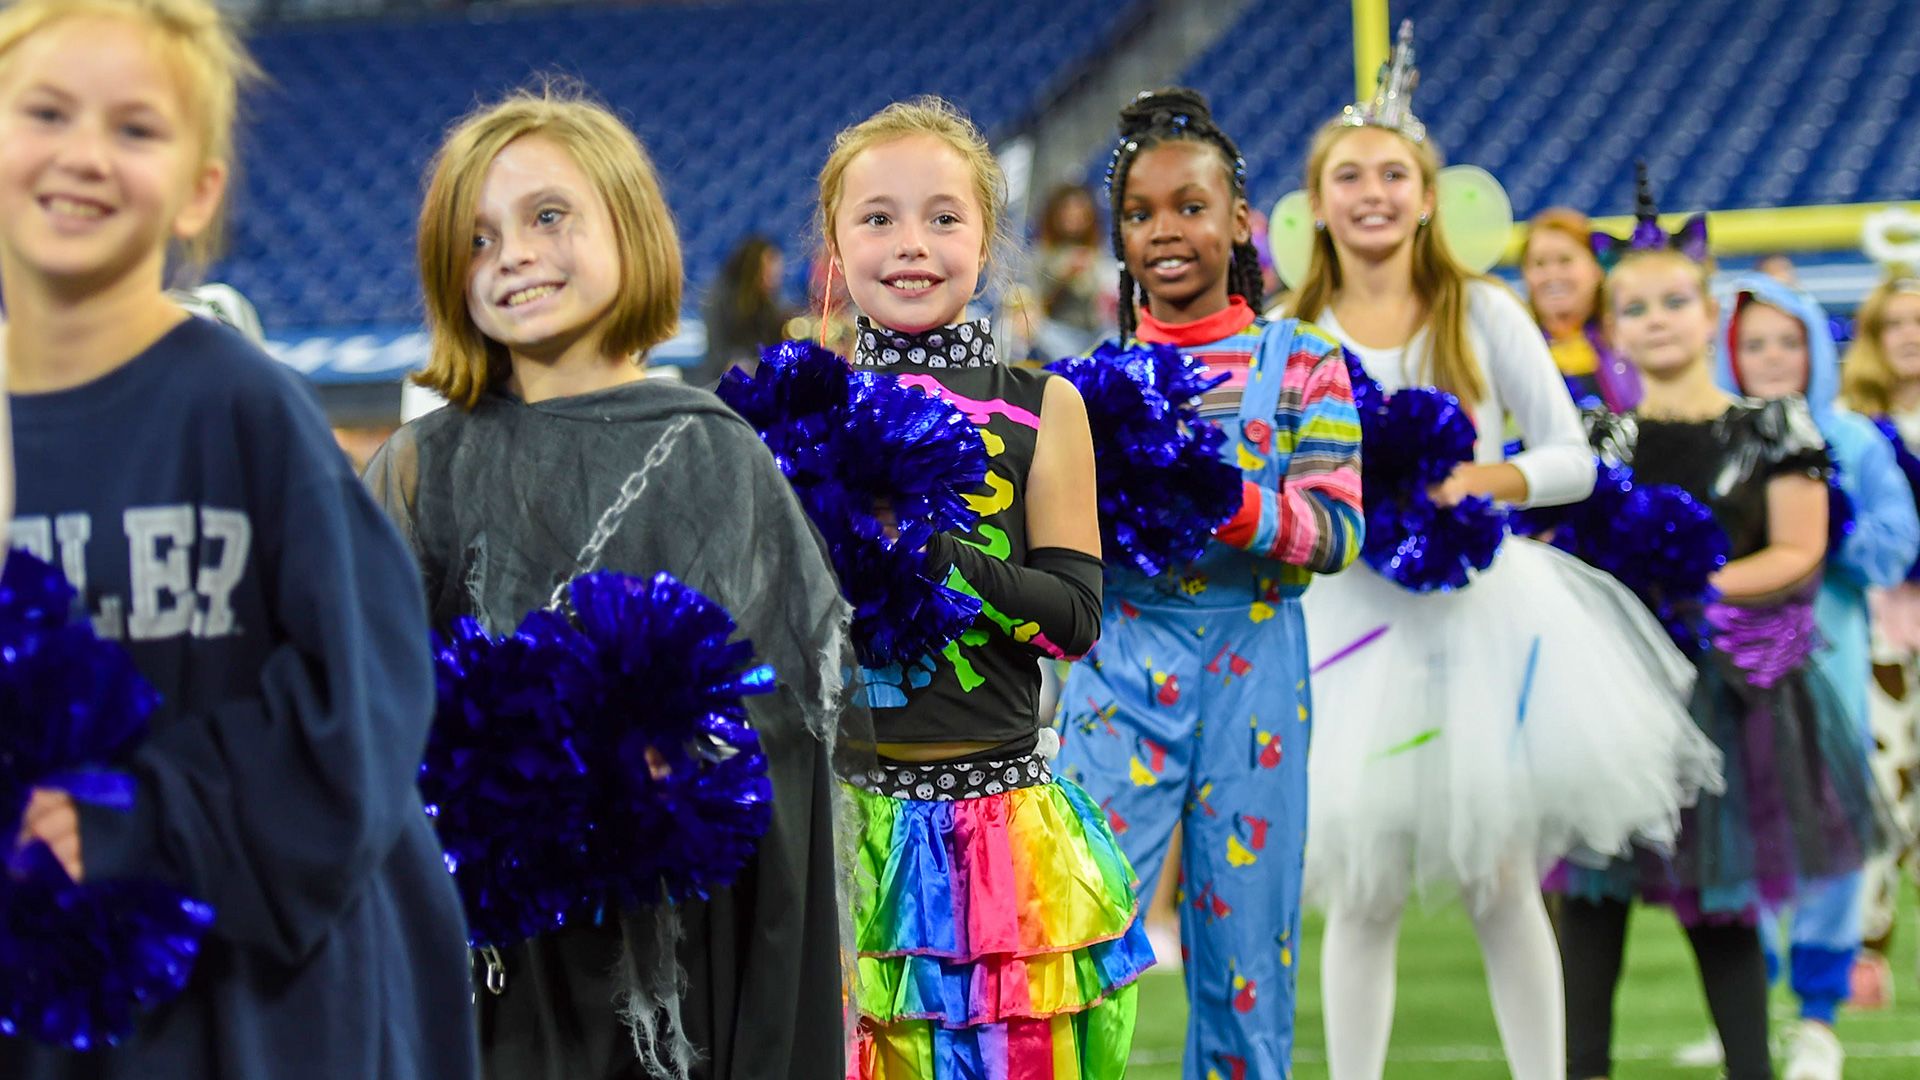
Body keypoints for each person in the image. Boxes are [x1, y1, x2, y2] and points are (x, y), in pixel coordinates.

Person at [0, 1, 477, 1077]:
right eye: (45, 111)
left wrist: (145, 817)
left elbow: (366, 705)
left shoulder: (243, 409)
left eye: (135, 129)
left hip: (257, 1005)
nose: (84, 154)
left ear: (198, 188)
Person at [363, 84, 862, 1080]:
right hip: (490, 968)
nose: (512, 255)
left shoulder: (715, 452)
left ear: (630, 229)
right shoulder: (420, 465)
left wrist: (669, 750)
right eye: (477, 239)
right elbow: (365, 704)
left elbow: (794, 724)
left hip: (674, 967)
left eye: (549, 216)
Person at [1281, 29, 1715, 1080]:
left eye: (1395, 175)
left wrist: (1489, 480)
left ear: (1429, 196)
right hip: (1345, 622)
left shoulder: (1481, 309)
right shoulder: (1289, 332)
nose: (1373, 194)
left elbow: (1571, 454)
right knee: (1365, 885)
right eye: (1350, 177)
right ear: (1318, 202)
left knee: (1505, 877)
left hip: (1483, 618)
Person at [816, 96, 1148, 1079]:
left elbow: (1076, 621)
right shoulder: (792, 413)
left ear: (988, 238)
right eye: (877, 217)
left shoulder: (1043, 405)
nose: (910, 244)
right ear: (833, 245)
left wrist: (931, 551)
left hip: (995, 836)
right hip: (835, 834)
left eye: (943, 216)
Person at [1053, 86, 1363, 1080]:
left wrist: (1225, 499)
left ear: (1241, 220)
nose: (1164, 233)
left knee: (1245, 963)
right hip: (1120, 667)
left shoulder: (1306, 362)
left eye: (1190, 206)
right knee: (1075, 937)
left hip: (1255, 668)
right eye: (1139, 216)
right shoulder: (1086, 386)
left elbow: (1340, 530)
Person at [1553, 201, 1882, 1080]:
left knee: (1723, 906)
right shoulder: (1595, 438)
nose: (1655, 322)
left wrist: (1688, 587)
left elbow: (1800, 551)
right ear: (1611, 326)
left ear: (1708, 315)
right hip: (1610, 698)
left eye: (1673, 302)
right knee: (1587, 909)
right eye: (1635, 308)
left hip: (1728, 695)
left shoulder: (1772, 427)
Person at [1703, 274, 1920, 1079]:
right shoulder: (1716, 436)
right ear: (1729, 351)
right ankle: (1744, 1010)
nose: (1770, 357)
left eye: (1786, 341)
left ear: (1812, 349)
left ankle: (1819, 1016)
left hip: (1829, 669)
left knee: (1829, 837)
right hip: (1730, 670)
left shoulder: (1855, 440)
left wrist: (1836, 525)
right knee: (1741, 833)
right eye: (1753, 342)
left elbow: (1894, 548)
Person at [1838, 273, 1920, 1008]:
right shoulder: (1853, 426)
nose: (1908, 334)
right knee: (1883, 786)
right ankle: (1867, 950)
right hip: (1883, 631)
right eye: (1893, 322)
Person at [1520, 208, 1639, 411]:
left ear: (1596, 269)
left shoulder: (1629, 342)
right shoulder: (1515, 350)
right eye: (1539, 263)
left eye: (1565, 260)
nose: (1551, 275)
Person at [690, 234, 791, 387]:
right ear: (755, 267)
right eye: (770, 267)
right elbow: (719, 353)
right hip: (721, 383)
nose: (776, 274)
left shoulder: (769, 306)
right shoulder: (720, 299)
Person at [1029, 182, 1112, 356]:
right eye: (1068, 210)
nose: (1074, 216)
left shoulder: (1097, 254)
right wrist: (1064, 276)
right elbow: (1038, 303)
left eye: (1080, 210)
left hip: (1094, 331)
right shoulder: (1044, 255)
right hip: (1058, 331)